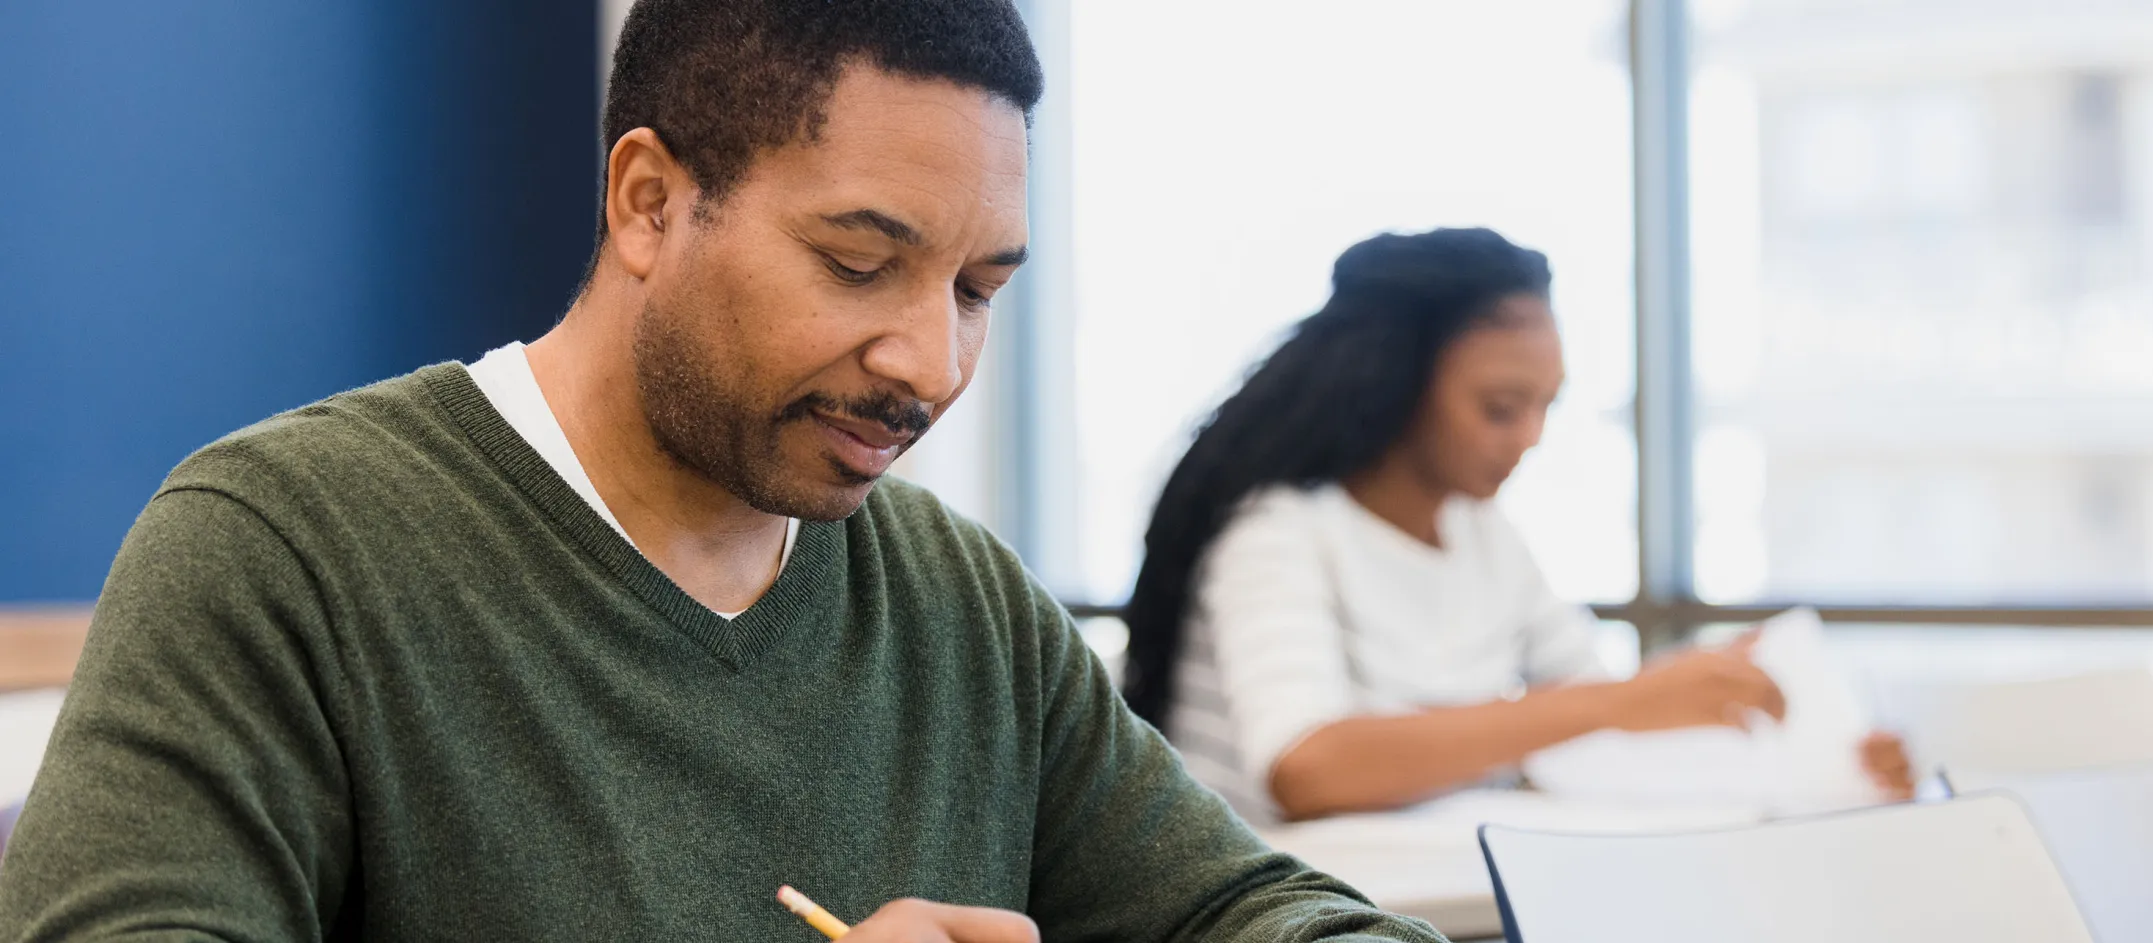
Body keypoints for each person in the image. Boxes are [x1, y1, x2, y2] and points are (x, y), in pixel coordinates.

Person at [0, 4, 1447, 941]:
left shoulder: (956, 601)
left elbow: (1252, 909)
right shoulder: (283, 548)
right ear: (648, 200)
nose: (930, 363)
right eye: (860, 262)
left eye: (979, 289)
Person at [1120, 228, 1913, 824]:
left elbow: (1597, 719)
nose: (1530, 436)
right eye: (1502, 407)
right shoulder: (1280, 530)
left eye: (1545, 407)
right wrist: (1622, 700)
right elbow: (1309, 767)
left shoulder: (1484, 533)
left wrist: (1819, 764)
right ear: (1395, 383)